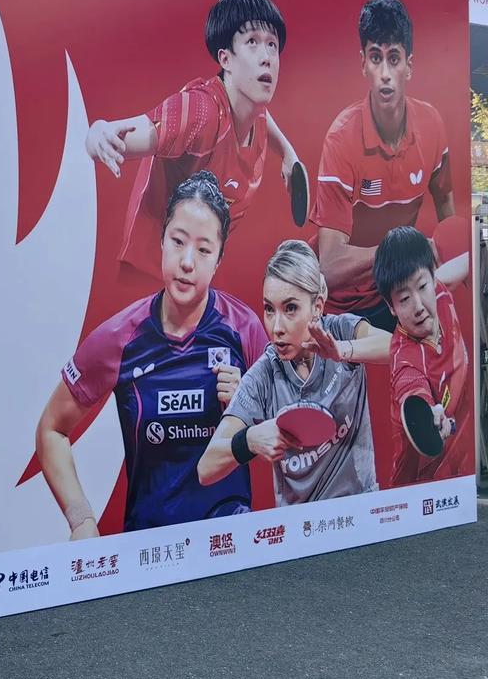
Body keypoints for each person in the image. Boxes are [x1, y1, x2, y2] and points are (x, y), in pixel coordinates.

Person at [36, 171, 268, 537]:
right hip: (150, 551)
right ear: (161, 241)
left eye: (204, 249)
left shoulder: (244, 329)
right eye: (178, 241)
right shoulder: (120, 337)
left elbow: (286, 429)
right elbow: (51, 429)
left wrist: (248, 406)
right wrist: (81, 519)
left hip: (228, 545)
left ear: (218, 259)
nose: (187, 261)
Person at [85, 0, 302, 283]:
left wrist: (288, 153)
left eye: (272, 44)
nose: (266, 58)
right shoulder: (199, 112)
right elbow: (126, 134)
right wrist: (98, 132)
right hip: (150, 278)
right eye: (252, 42)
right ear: (225, 58)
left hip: (197, 275)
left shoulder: (254, 108)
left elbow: (265, 118)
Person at [197, 240, 390, 505]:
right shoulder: (264, 374)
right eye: (269, 309)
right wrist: (249, 440)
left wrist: (342, 351)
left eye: (290, 308)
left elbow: (395, 347)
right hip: (299, 523)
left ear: (317, 307)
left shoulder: (341, 331)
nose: (277, 327)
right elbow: (205, 469)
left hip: (360, 510)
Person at [311, 0, 454, 328]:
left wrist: (448, 258)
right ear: (363, 63)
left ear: (409, 66)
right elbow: (329, 266)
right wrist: (399, 251)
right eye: (376, 58)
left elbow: (447, 204)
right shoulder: (341, 138)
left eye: (394, 58)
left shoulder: (432, 124)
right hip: (342, 306)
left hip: (399, 295)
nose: (385, 73)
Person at [372, 225, 474, 485]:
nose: (418, 306)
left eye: (422, 286)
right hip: (421, 487)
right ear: (391, 307)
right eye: (404, 299)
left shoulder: (439, 294)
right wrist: (431, 416)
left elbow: (470, 260)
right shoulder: (406, 359)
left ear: (433, 278)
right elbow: (411, 391)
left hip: (463, 468)